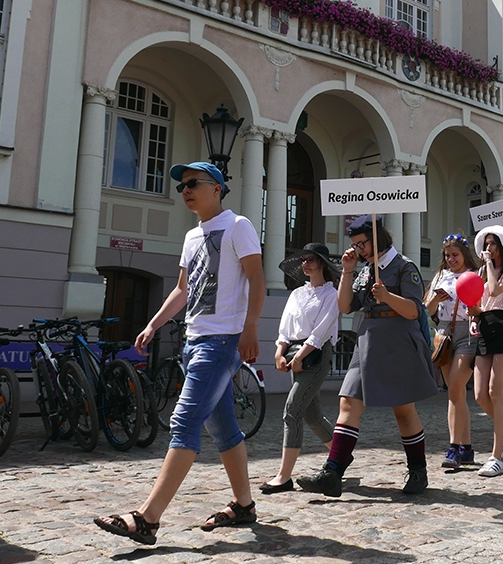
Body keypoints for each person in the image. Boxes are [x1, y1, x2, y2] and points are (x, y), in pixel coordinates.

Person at [95, 162, 265, 545]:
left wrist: (251, 327)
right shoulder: (192, 236)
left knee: (184, 421)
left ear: (217, 188)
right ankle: (244, 505)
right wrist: (153, 324)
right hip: (195, 341)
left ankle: (148, 518)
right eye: (181, 186)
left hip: (222, 341)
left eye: (193, 183)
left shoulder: (238, 226)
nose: (185, 190)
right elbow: (182, 290)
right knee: (223, 428)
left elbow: (257, 278)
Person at [298, 216, 439, 497]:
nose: (359, 249)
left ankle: (418, 469)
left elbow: (414, 310)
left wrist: (387, 296)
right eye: (355, 244)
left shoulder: (404, 266)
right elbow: (345, 305)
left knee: (403, 410)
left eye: (362, 243)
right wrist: (348, 271)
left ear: (377, 238)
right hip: (367, 341)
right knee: (348, 402)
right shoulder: (365, 270)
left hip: (397, 340)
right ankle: (333, 473)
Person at [261, 243, 341, 494]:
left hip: (316, 356)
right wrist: (279, 352)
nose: (305, 264)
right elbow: (285, 328)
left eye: (310, 259)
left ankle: (284, 477)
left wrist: (300, 356)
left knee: (292, 410)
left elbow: (321, 331)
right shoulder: (297, 294)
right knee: (312, 415)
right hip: (295, 353)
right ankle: (341, 455)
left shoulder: (331, 294)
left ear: (322, 264)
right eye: (303, 260)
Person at [468, 225, 503, 477]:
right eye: (486, 244)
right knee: (480, 394)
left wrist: (489, 266)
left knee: (495, 390)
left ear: (501, 245)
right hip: (486, 326)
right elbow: (481, 300)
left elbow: (494, 290)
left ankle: (496, 456)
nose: (487, 248)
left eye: (492, 244)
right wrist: (474, 315)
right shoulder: (483, 270)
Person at [425, 234, 481, 470]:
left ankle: (454, 448)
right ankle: (467, 448)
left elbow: (483, 307)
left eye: (455, 255)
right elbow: (427, 310)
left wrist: (472, 307)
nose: (450, 259)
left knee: (456, 389)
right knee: (455, 394)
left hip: (467, 332)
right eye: (448, 256)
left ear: (465, 255)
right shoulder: (441, 276)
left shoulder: (476, 276)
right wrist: (436, 299)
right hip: (444, 332)